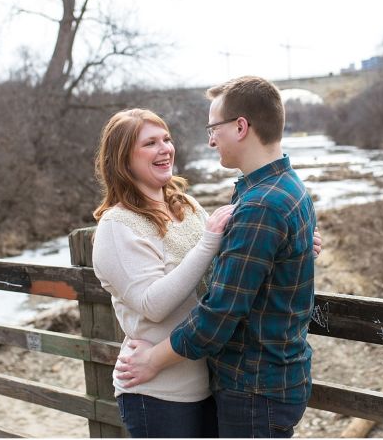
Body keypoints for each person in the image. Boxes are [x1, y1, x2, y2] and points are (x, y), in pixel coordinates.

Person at [116, 77, 318, 439]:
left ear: (241, 127)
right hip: (268, 381)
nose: (210, 140)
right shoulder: (278, 189)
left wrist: (152, 360)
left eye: (214, 129)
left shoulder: (260, 206)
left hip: (255, 386)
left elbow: (220, 313)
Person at [92, 108, 235, 438]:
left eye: (166, 139)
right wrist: (210, 239)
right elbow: (152, 304)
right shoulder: (118, 226)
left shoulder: (185, 205)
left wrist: (289, 244)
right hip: (157, 395)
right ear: (123, 160)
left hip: (209, 382)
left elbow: (222, 264)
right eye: (150, 143)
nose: (164, 149)